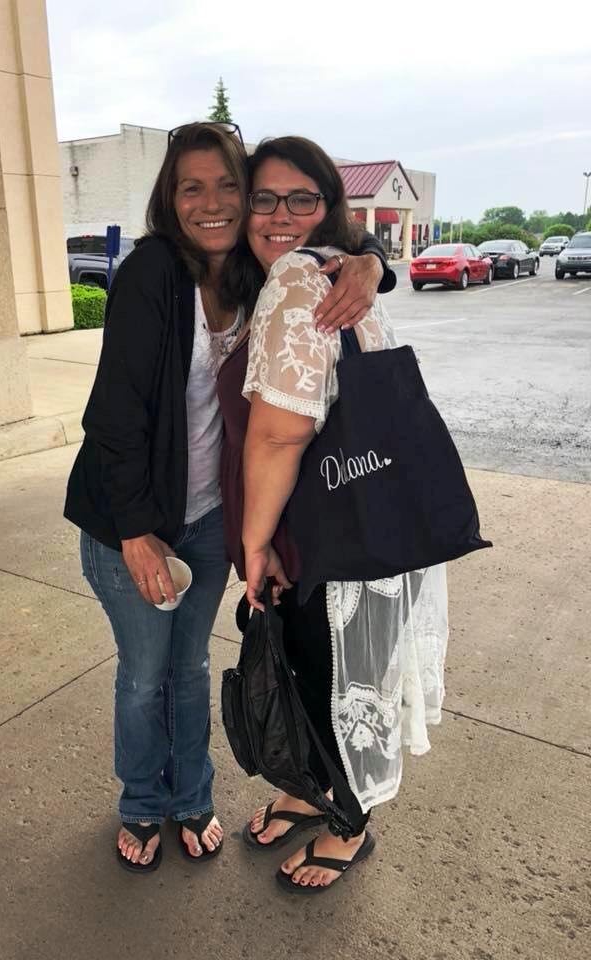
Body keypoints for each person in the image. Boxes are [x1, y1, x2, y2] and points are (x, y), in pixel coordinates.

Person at [64, 122, 396, 874]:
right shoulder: (153, 272)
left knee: (188, 671)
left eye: (227, 187)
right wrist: (137, 532)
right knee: (143, 676)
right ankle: (141, 802)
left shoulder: (255, 271)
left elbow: (336, 245)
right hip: (130, 523)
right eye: (192, 187)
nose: (211, 203)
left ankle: (192, 797)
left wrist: (372, 263)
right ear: (170, 197)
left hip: (208, 517)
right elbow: (112, 417)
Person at [217, 136, 448, 893]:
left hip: (326, 536)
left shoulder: (298, 275)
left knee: (332, 678)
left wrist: (254, 545)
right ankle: (308, 791)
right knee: (312, 673)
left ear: (329, 208)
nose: (280, 215)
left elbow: (280, 433)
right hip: (347, 523)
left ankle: (349, 825)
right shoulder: (325, 272)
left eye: (301, 199)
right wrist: (371, 260)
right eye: (264, 198)